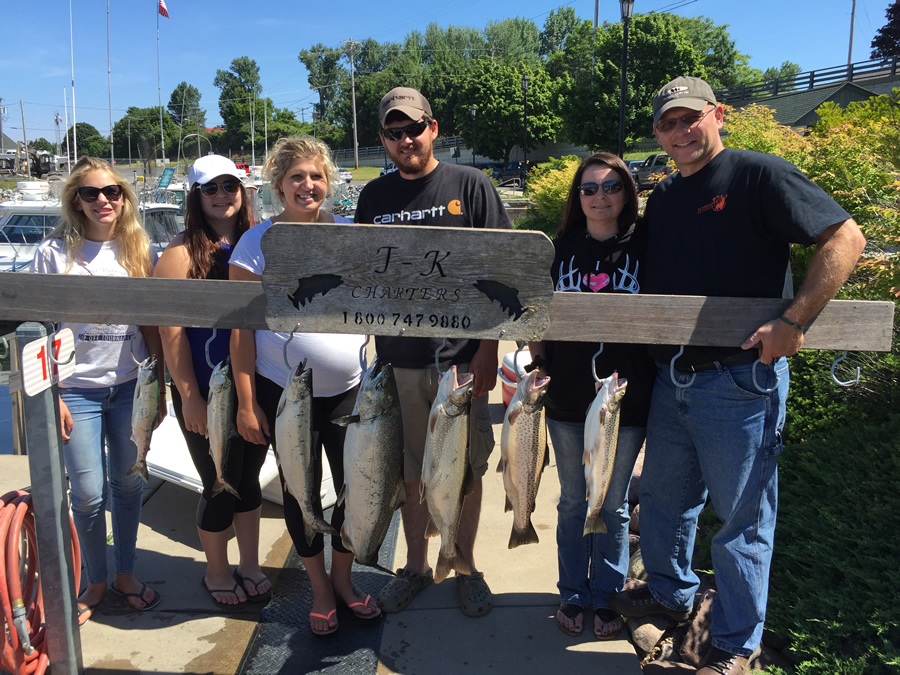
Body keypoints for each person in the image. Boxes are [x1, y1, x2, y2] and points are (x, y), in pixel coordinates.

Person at [609, 77, 867, 674]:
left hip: (740, 384)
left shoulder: (759, 175)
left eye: (689, 118)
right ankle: (671, 594)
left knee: (742, 524)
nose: (680, 132)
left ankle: (735, 643)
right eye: (667, 124)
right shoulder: (668, 195)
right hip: (676, 381)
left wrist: (795, 320)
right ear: (657, 133)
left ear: (716, 115)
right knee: (667, 503)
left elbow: (845, 237)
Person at [354, 87, 513, 618]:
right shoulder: (372, 198)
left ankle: (465, 565)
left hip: (461, 363)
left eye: (413, 128)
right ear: (383, 140)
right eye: (394, 133)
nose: (405, 139)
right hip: (397, 363)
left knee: (463, 472)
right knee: (411, 475)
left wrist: (488, 348)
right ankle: (418, 566)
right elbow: (360, 280)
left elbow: (504, 273)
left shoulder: (472, 185)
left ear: (433, 128)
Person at [229, 136, 378, 636]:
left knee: (358, 488)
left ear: (329, 183)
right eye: (296, 178)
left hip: (351, 390)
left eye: (316, 177)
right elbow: (240, 331)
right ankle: (317, 588)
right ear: (278, 186)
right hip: (284, 394)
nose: (307, 186)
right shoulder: (256, 243)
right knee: (301, 492)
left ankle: (344, 579)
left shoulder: (350, 235)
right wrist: (247, 404)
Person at [29, 156, 166, 625]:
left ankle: (125, 573)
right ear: (76, 201)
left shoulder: (138, 249)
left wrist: (159, 386)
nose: (104, 200)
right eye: (92, 193)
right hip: (75, 391)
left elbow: (152, 325)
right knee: (87, 494)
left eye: (113, 192)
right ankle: (95, 577)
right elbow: (38, 331)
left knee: (128, 485)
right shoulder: (52, 254)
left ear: (124, 198)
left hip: (130, 387)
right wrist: (50, 396)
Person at [527, 152, 655, 639]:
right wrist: (538, 362)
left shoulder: (648, 246)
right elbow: (531, 313)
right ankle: (572, 592)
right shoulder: (557, 250)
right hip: (567, 395)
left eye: (611, 186)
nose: (600, 196)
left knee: (614, 502)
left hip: (628, 397)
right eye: (589, 188)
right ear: (576, 197)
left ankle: (607, 594)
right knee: (573, 501)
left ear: (627, 192)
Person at [153, 155, 264, 606]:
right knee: (218, 480)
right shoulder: (179, 253)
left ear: (243, 191)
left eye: (229, 186)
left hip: (254, 389)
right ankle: (216, 572)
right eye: (210, 188)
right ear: (196, 197)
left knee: (250, 481)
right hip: (202, 391)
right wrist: (188, 397)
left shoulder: (259, 242)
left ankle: (250, 563)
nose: (221, 195)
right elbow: (170, 333)